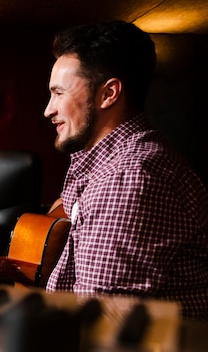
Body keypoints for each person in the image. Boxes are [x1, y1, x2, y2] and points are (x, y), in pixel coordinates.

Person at [42, 21, 208, 320]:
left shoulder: (128, 176)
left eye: (58, 93)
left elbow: (99, 323)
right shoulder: (109, 167)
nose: (48, 109)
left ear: (109, 94)